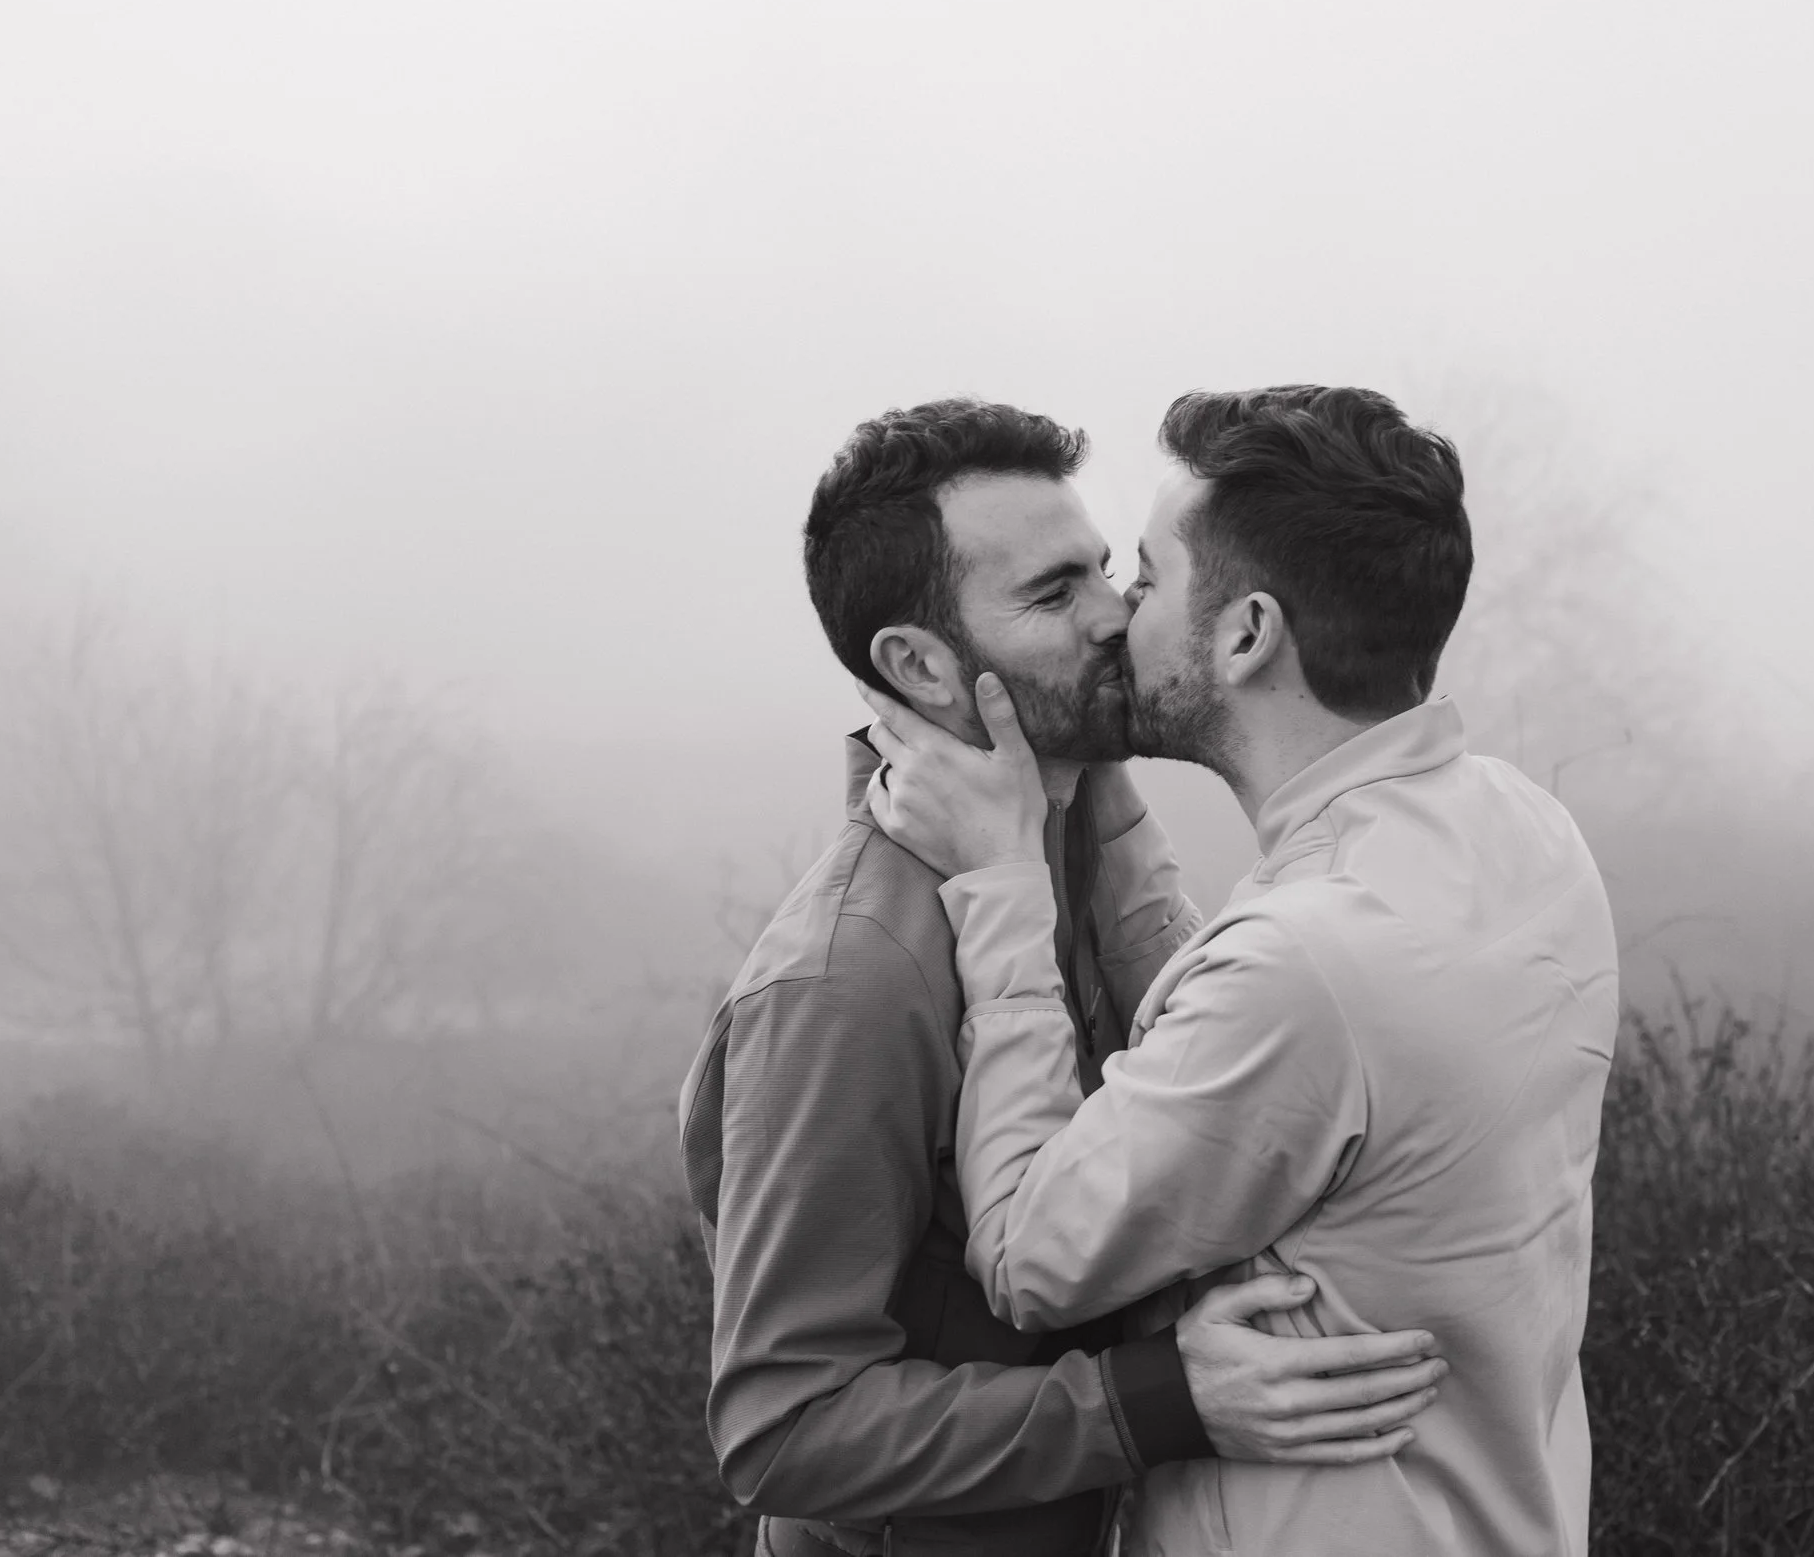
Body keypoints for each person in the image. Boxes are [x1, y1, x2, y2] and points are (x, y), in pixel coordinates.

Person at [677, 398, 1450, 1557]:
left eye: (1104, 568)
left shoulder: (1075, 851)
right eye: (1052, 594)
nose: (1117, 615)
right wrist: (1155, 1400)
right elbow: (784, 1428)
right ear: (920, 664)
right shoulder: (847, 981)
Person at [861, 385, 1622, 1556]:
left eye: (1149, 579)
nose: (1114, 616)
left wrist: (1006, 879)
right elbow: (1267, 1043)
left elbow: (1026, 1255)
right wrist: (1095, 800)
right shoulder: (1526, 834)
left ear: (1248, 633)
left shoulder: (1305, 968)